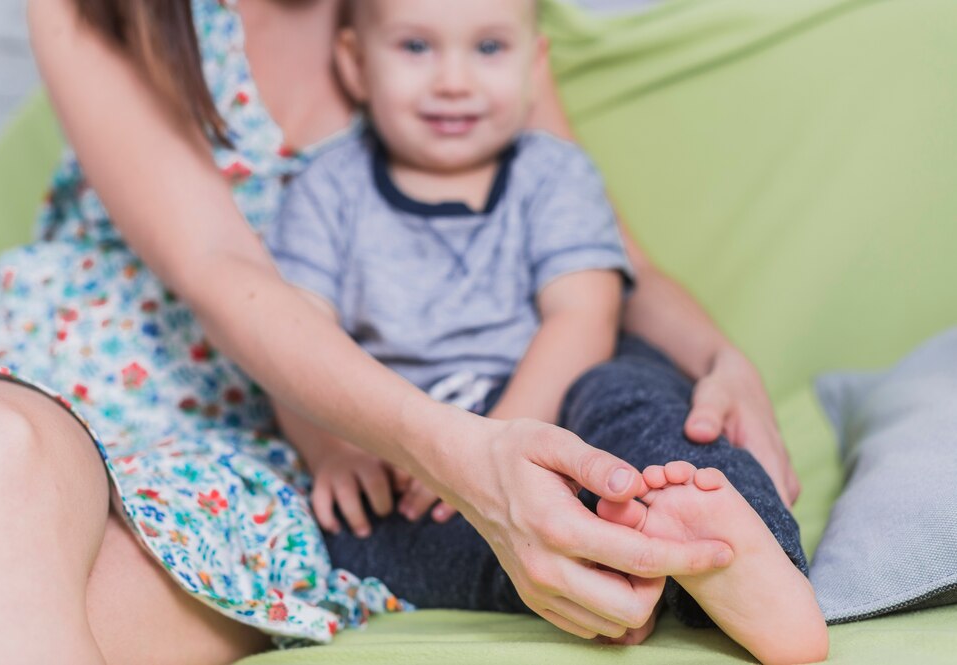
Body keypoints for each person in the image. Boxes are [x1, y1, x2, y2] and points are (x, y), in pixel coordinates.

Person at [0, 0, 799, 663]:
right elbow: (225, 266)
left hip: (265, 457)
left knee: (29, 609)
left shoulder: (447, 21)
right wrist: (453, 445)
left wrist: (723, 360)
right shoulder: (107, 9)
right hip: (78, 380)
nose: (451, 76)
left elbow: (607, 264)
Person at [264, 2, 827, 663]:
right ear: (356, 64)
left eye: (490, 49)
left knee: (638, 405)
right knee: (362, 530)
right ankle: (593, 580)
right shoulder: (326, 190)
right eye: (416, 47)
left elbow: (583, 315)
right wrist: (332, 450)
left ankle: (746, 555)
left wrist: (500, 435)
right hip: (422, 436)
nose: (453, 80)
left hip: (562, 385)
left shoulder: (552, 173)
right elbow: (293, 333)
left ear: (535, 66)